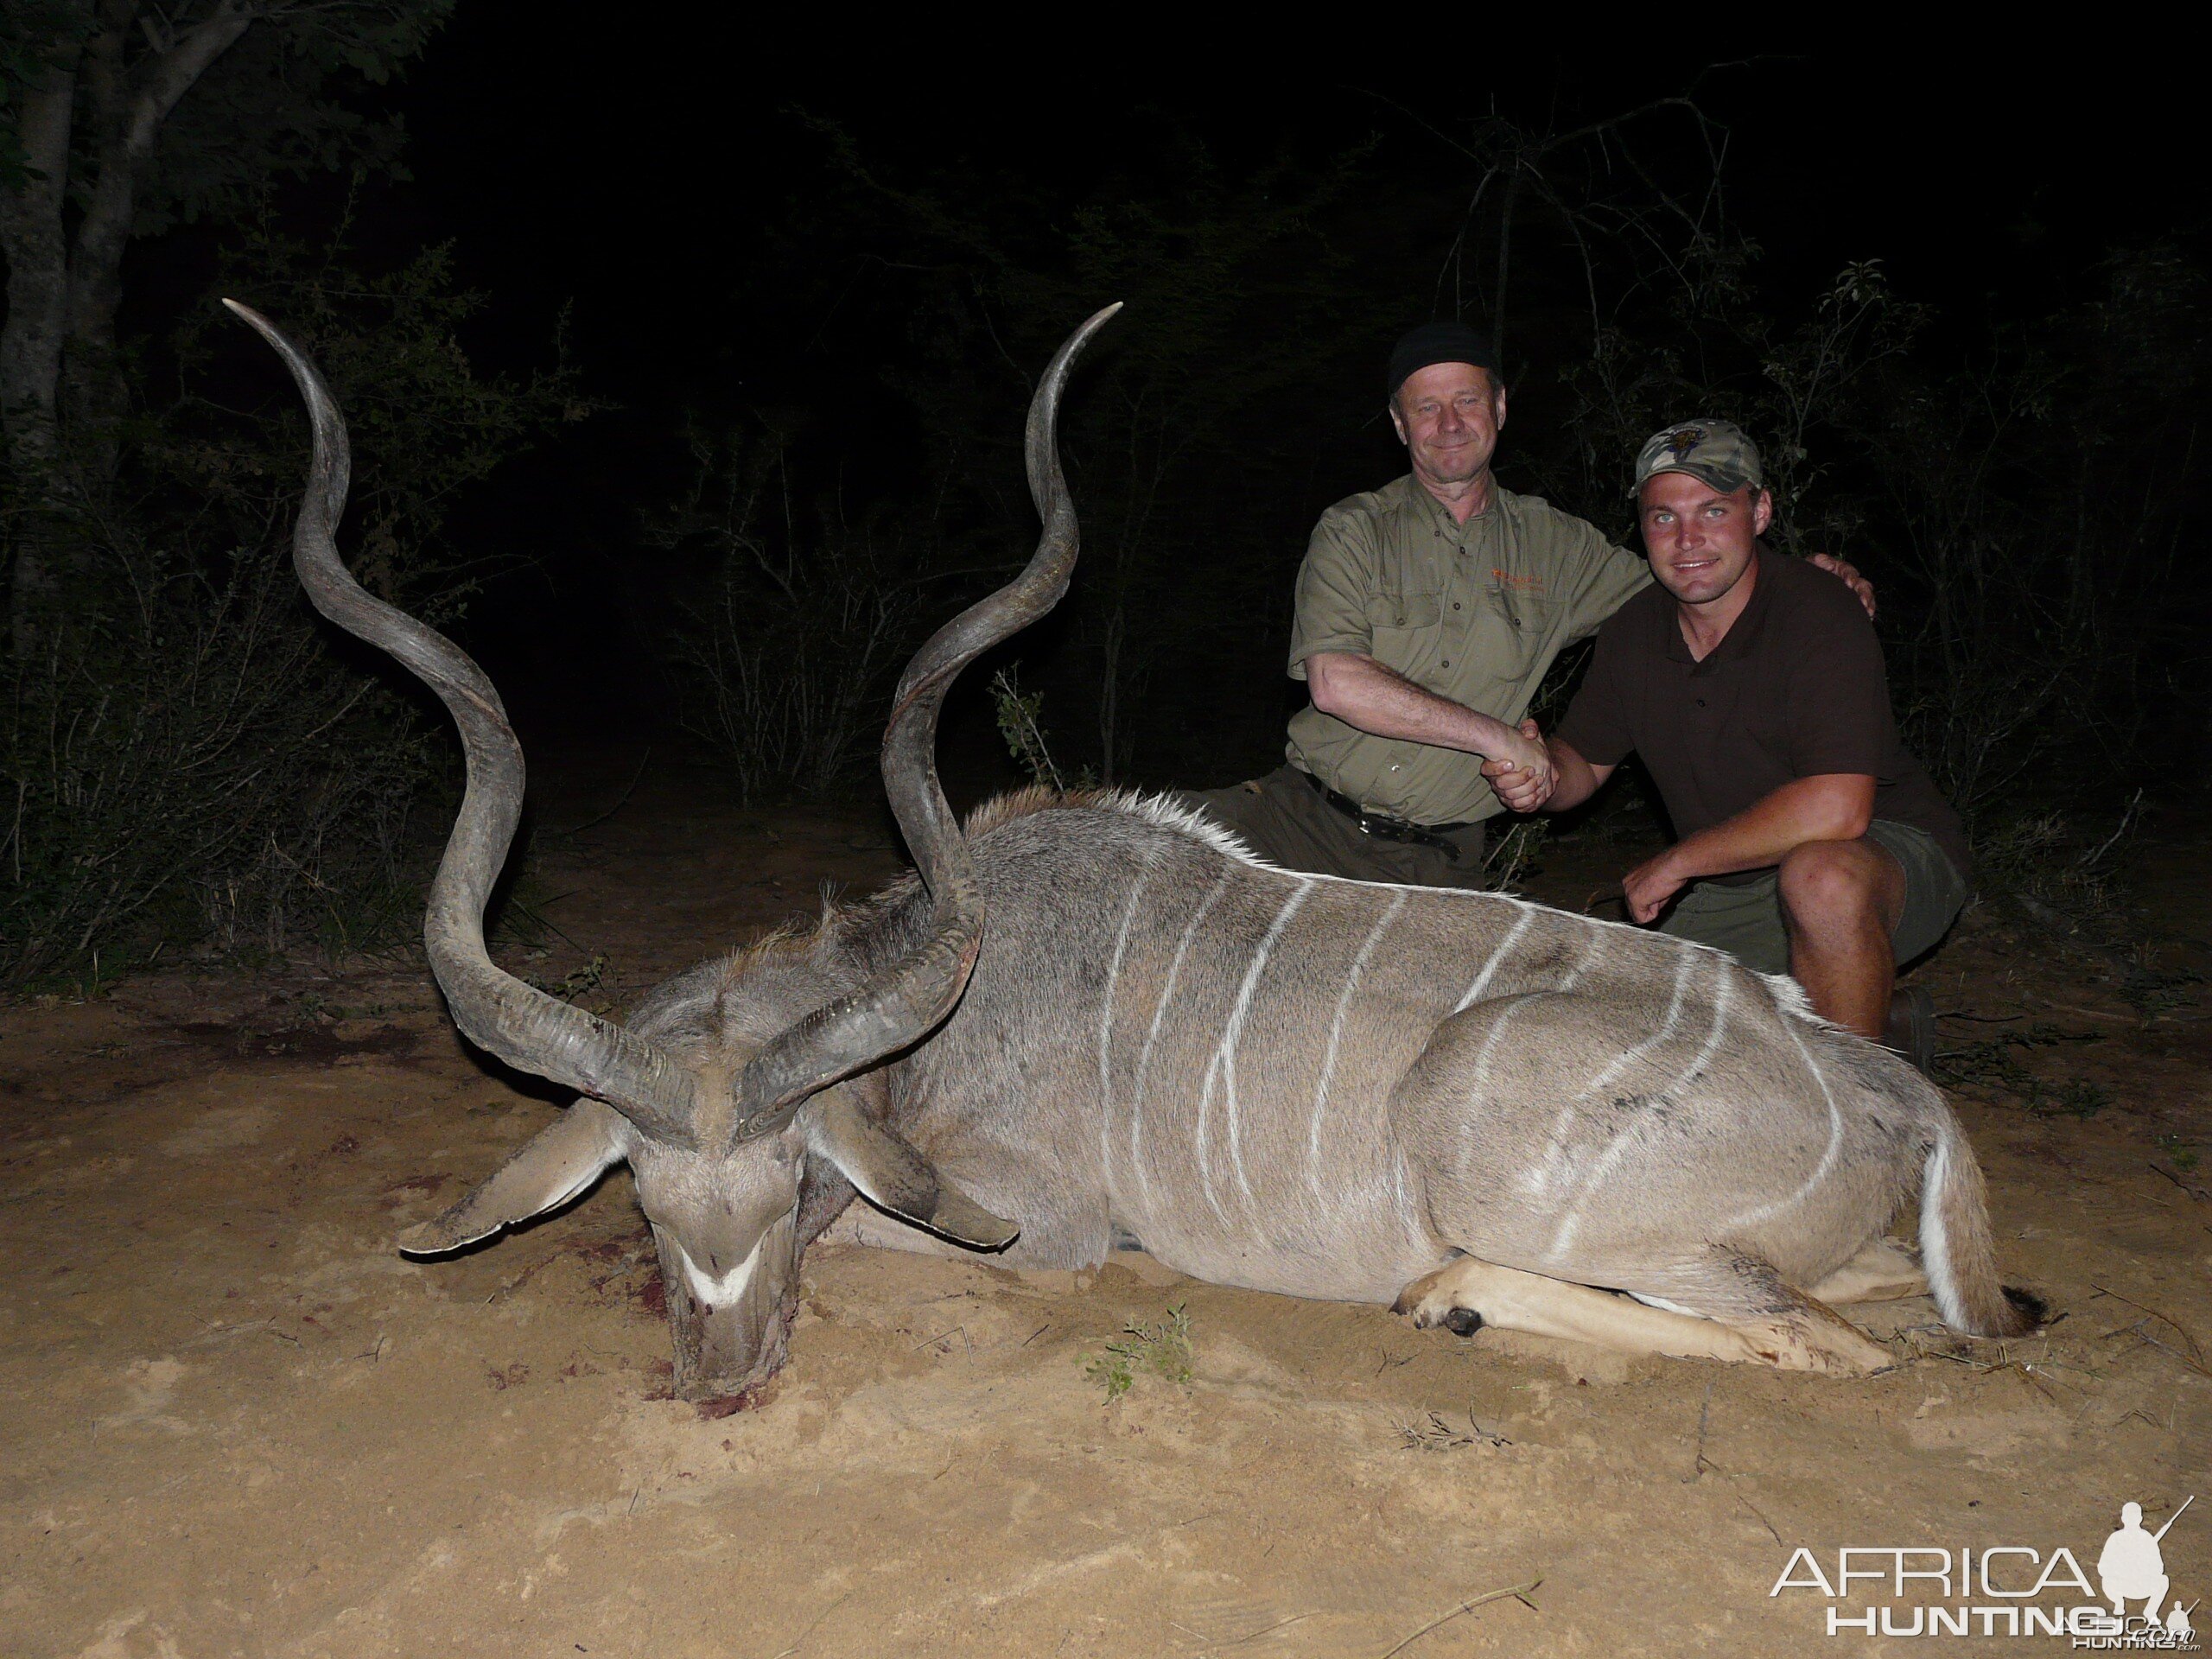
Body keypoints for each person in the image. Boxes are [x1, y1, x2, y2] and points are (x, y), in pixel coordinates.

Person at [1187, 321, 1872, 890]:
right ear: (1400, 424)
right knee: (1124, 847)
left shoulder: (1560, 546)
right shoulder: (1353, 528)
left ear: (1501, 409)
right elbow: (1336, 684)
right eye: (1426, 407)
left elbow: (1691, 577)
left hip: (1434, 862)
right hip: (1294, 818)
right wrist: (1499, 740)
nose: (1449, 424)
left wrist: (1803, 575)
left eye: (1467, 401)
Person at [1487, 419, 1967, 1058]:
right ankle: (1885, 1019)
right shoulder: (1633, 630)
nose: (1688, 540)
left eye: (1714, 510)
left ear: (1760, 510)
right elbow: (1584, 764)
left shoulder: (1818, 607)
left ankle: (1858, 1099)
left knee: (1821, 878)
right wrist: (1539, 772)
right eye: (1663, 518)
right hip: (1735, 882)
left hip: (1884, 856)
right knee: (1633, 1037)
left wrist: (1679, 861)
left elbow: (1838, 809)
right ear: (1641, 526)